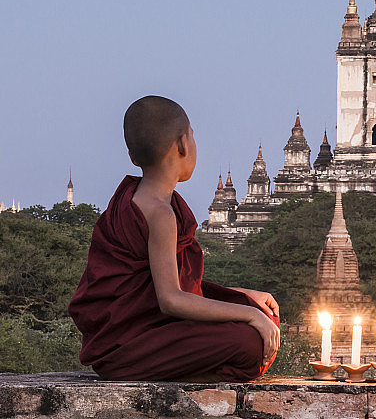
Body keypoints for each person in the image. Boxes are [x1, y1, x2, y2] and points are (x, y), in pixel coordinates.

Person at [69, 96, 280, 381]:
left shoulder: (136, 199)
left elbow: (161, 282)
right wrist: (250, 316)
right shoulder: (160, 213)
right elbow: (170, 299)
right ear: (183, 144)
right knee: (251, 340)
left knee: (261, 310)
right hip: (130, 347)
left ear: (133, 157)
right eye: (193, 137)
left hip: (137, 336)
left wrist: (243, 297)